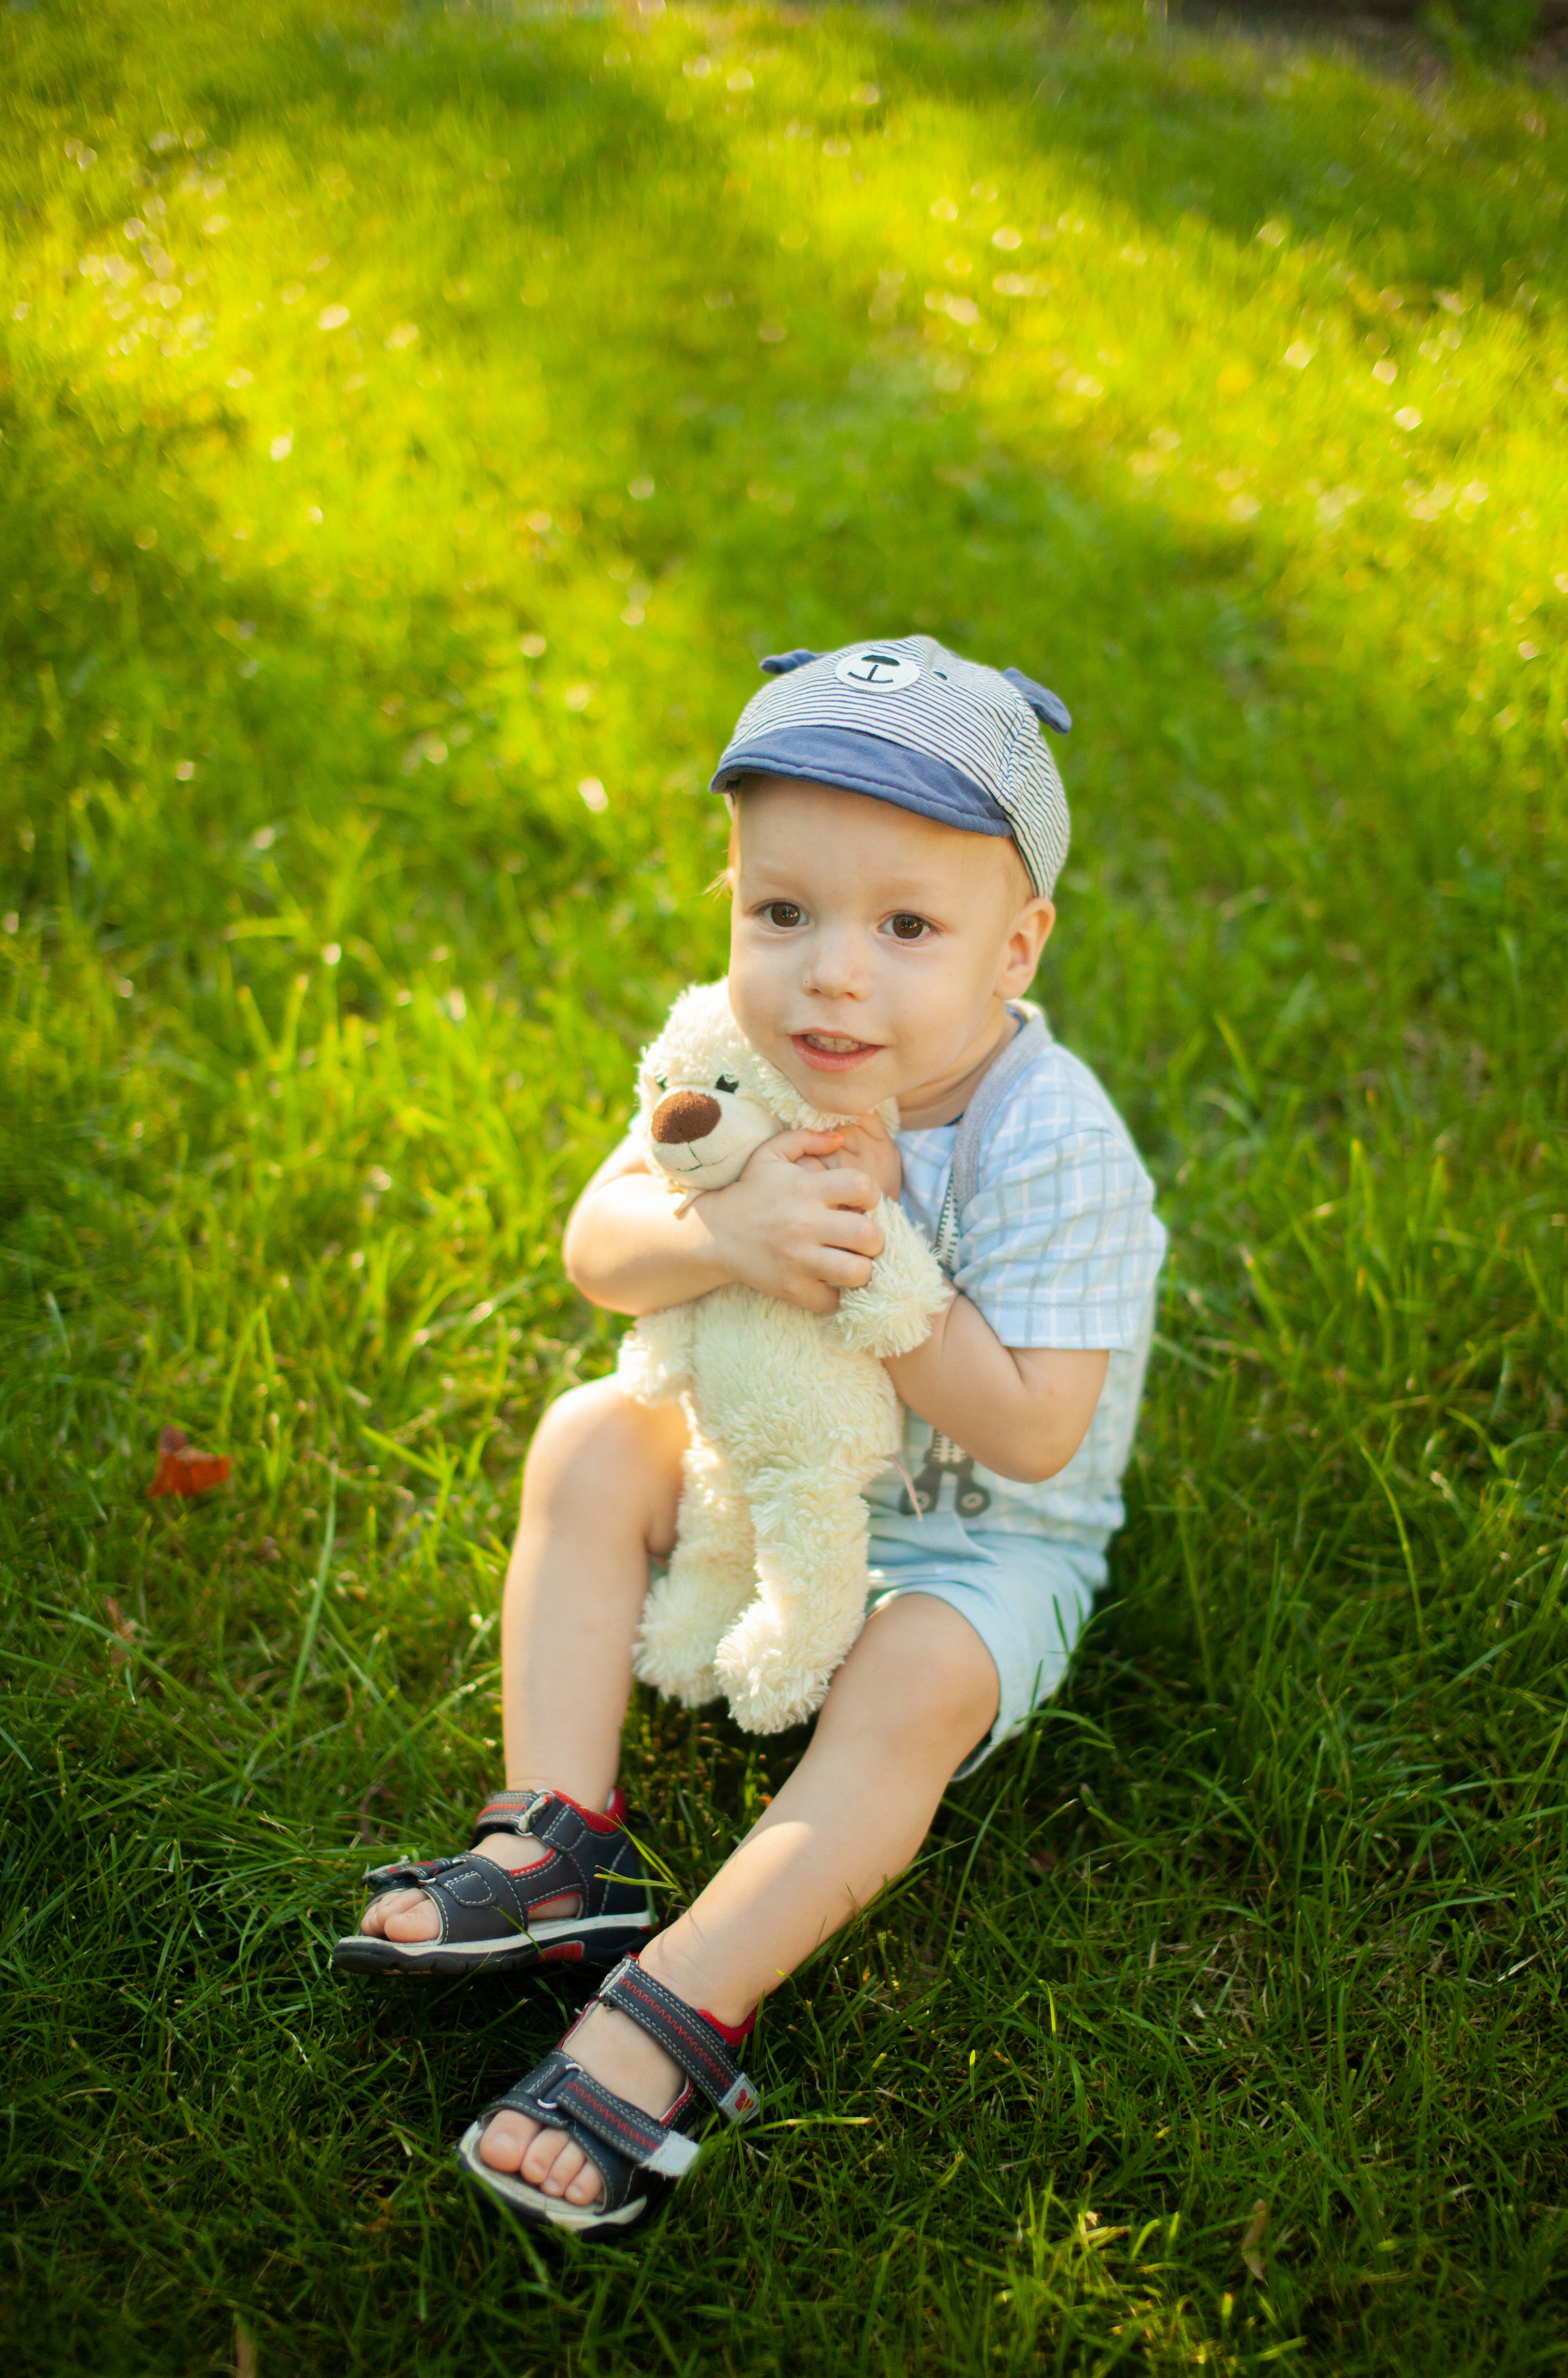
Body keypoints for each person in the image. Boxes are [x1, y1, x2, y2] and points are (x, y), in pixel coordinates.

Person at [332, 637, 1167, 2238]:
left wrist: (876, 1281)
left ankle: (685, 1998)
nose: (831, 973)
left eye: (908, 927)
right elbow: (602, 1243)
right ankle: (559, 1837)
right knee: (589, 1434)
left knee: (913, 1678)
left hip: (976, 1533)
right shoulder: (741, 1052)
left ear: (1018, 944)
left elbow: (1041, 1435)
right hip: (749, 1468)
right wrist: (725, 1241)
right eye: (782, 912)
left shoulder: (1056, 1144)